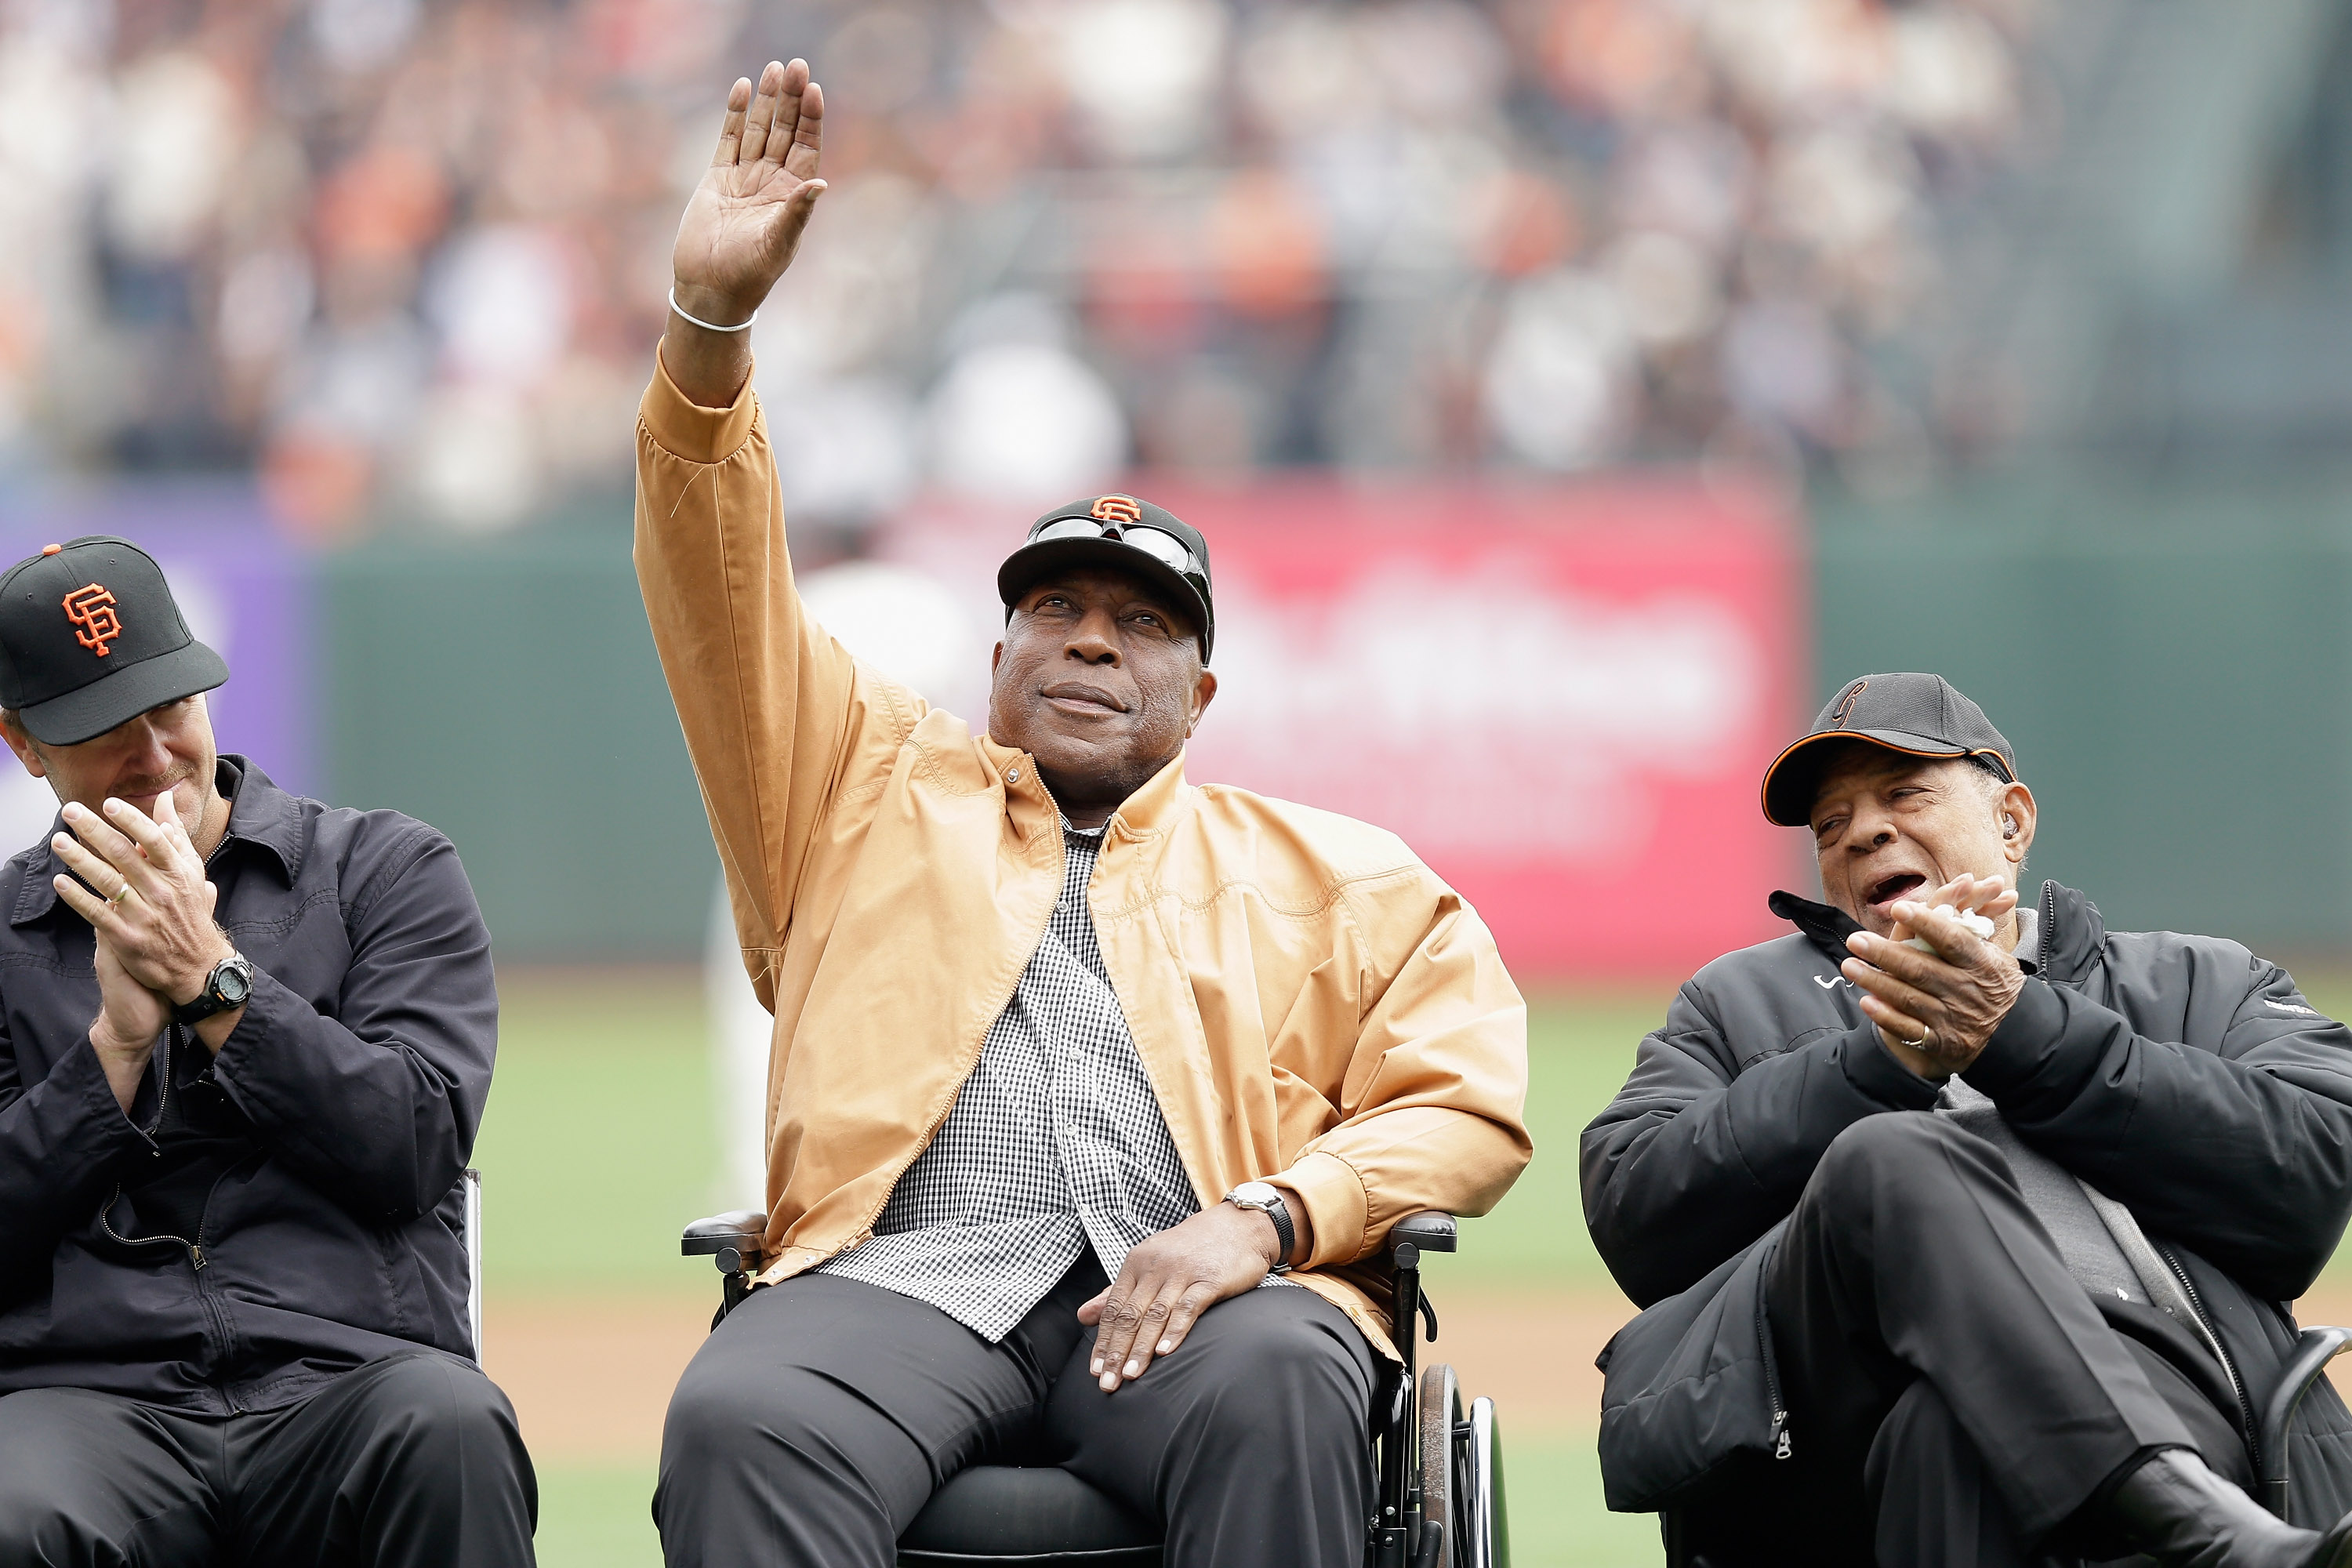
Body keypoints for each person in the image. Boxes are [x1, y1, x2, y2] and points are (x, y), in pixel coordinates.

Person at [636, 60, 1530, 1568]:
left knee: (1286, 1388)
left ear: (1204, 691)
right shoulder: (851, 793)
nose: (1094, 640)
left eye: (1142, 623)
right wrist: (712, 331)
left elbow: (1469, 1107)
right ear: (996, 663)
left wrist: (1266, 1221)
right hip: (907, 1282)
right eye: (1055, 608)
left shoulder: (1341, 877)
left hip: (1210, 1295)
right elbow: (718, 596)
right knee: (742, 1415)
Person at [1582, 670, 2352, 1568]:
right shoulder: (1734, 1002)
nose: (1863, 830)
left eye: (1904, 793)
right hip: (1830, 1433)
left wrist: (2015, 1031)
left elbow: (2314, 1168)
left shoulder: (2203, 981)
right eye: (1830, 824)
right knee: (1889, 1159)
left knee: (1948, 1432)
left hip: (2166, 1384)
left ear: (2012, 821)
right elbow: (1638, 1210)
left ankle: (2161, 1492)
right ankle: (2192, 1520)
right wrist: (1878, 1062)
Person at [0, 538, 533, 1565]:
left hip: (351, 1376)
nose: (155, 754)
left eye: (171, 704)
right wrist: (112, 1049)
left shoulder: (385, 871)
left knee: (453, 1433)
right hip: (88, 1400)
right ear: (25, 746)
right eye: (106, 730)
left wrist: (214, 984)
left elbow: (416, 1144)